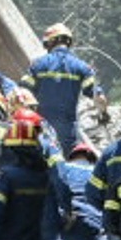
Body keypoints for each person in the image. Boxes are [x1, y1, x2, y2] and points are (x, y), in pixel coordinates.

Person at [27, 23, 98, 152]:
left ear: (51, 42)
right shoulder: (81, 67)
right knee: (68, 161)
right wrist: (103, 114)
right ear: (69, 42)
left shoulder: (38, 65)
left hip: (41, 127)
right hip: (68, 129)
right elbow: (98, 96)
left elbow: (23, 92)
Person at [57, 140, 110, 240]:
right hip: (91, 221)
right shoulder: (98, 173)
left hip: (64, 220)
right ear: (92, 159)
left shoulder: (63, 168)